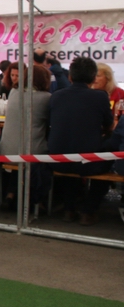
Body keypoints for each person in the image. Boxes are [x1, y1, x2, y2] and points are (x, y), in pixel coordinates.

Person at [48, 56, 114, 225]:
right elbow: (109, 126)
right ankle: (88, 210)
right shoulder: (100, 97)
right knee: (109, 157)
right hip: (87, 163)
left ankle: (69, 209)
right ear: (93, 78)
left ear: (70, 76)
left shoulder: (56, 96)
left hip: (56, 160)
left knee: (72, 147)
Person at [0, 65, 52, 211]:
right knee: (35, 155)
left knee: (21, 153)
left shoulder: (14, 92)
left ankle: (10, 194)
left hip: (6, 151)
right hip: (31, 152)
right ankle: (39, 200)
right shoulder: (46, 98)